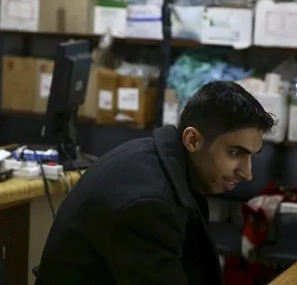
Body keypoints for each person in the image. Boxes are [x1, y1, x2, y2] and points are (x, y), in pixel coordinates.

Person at [35, 80, 275, 285]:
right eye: (235, 153)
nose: (247, 173)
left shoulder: (161, 162)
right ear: (192, 140)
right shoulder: (148, 204)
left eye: (252, 156)